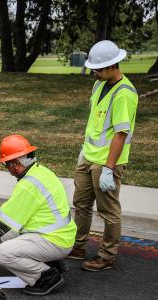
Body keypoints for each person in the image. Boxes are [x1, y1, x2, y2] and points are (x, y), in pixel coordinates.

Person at [0, 135, 76, 296]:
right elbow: (9, 221)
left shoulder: (28, 186)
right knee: (8, 235)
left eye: (6, 165)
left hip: (56, 240)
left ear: (15, 163)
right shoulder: (41, 171)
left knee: (2, 253)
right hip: (60, 234)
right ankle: (53, 263)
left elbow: (0, 223)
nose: (7, 169)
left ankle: (47, 277)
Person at [68, 40, 138, 271]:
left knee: (108, 210)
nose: (94, 72)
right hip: (88, 156)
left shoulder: (124, 94)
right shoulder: (99, 85)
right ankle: (78, 247)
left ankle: (107, 256)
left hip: (106, 162)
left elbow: (120, 134)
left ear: (113, 66)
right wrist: (84, 151)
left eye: (98, 68)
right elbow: (95, 122)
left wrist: (109, 168)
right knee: (81, 204)